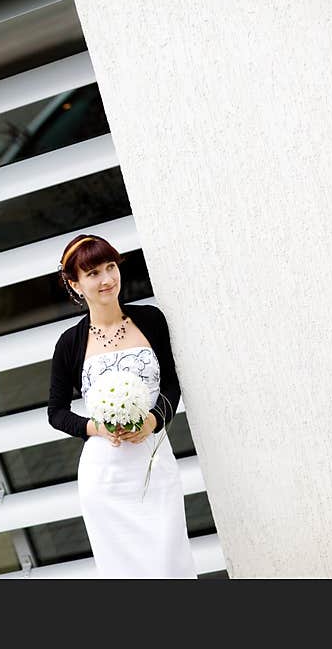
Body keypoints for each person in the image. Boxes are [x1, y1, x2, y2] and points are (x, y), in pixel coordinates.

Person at [48, 234, 197, 578]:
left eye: (111, 267)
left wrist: (152, 422)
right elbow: (56, 412)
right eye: (93, 273)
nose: (107, 279)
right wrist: (96, 428)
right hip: (104, 477)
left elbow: (172, 385)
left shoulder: (150, 320)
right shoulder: (70, 343)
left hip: (154, 465)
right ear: (75, 284)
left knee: (170, 563)